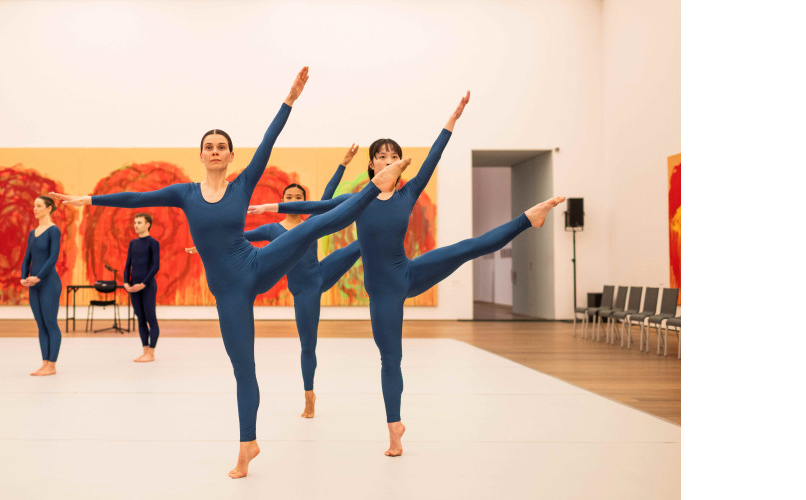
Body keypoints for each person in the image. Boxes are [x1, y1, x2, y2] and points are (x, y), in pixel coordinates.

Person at [48, 67, 412, 478]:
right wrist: (87, 199)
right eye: (210, 146)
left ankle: (375, 186)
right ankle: (248, 444)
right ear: (201, 154)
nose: (216, 151)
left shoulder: (242, 186)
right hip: (230, 292)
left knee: (314, 225)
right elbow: (136, 197)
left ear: (231, 155)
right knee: (243, 369)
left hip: (256, 264)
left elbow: (270, 143)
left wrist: (289, 100)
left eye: (222, 146)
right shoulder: (184, 194)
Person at [250, 91, 566, 457]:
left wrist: (453, 120)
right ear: (371, 166)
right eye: (381, 156)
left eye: (393, 155)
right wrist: (269, 206)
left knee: (468, 247)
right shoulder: (357, 200)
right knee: (390, 359)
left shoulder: (409, 192)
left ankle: (530, 217)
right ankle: (395, 428)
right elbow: (314, 205)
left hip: (408, 273)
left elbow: (433, 156)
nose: (388, 159)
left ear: (400, 163)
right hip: (382, 293)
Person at [242, 146, 362, 418]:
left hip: (322, 272)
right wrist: (205, 246)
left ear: (303, 202)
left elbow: (328, 196)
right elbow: (240, 237)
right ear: (282, 201)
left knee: (362, 243)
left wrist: (343, 164)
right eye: (289, 197)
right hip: (305, 291)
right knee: (308, 344)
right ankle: (309, 395)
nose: (294, 200)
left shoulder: (312, 221)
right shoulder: (272, 229)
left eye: (299, 197)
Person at [21, 195, 62, 377]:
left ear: (49, 208)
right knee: (41, 325)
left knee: (51, 324)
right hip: (34, 284)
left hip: (49, 283)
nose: (34, 209)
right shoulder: (32, 233)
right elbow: (27, 258)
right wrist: (24, 277)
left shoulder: (54, 231)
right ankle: (44, 363)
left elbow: (53, 258)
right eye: (34, 205)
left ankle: (52, 365)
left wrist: (38, 277)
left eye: (38, 206)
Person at [124, 213, 160, 362]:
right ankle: (145, 351)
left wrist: (143, 284)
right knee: (140, 319)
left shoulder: (153, 243)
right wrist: (126, 282)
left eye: (139, 222)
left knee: (151, 318)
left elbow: (155, 266)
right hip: (133, 287)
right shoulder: (133, 243)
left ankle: (151, 353)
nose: (136, 225)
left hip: (147, 286)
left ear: (147, 225)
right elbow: (128, 265)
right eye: (135, 222)